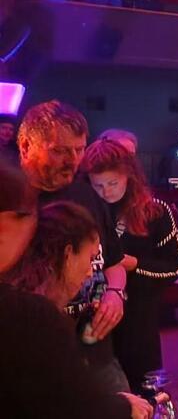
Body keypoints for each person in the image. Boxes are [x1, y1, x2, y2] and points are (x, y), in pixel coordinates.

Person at [0, 197, 153, 419]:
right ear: (68, 253)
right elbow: (72, 405)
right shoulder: (35, 317)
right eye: (90, 259)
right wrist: (122, 407)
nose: (91, 272)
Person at [18, 100, 130, 391]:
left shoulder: (85, 194)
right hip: (34, 353)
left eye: (79, 150)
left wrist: (115, 294)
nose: (72, 161)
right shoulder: (11, 201)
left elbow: (113, 263)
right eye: (59, 151)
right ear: (26, 146)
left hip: (95, 347)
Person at [81, 139, 178, 391]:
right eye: (98, 185)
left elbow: (176, 265)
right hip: (91, 314)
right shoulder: (84, 211)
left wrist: (134, 264)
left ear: (129, 176)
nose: (106, 192)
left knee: (144, 387)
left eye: (113, 183)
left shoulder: (155, 211)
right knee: (97, 390)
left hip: (139, 314)